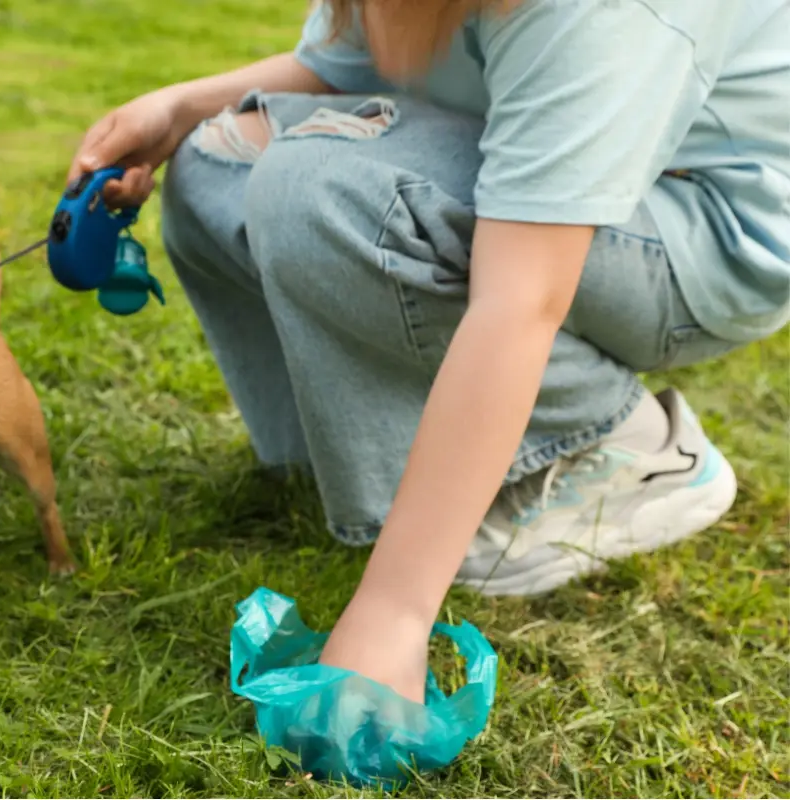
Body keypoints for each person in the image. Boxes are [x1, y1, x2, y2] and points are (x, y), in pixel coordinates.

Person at [67, 0, 790, 703]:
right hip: (542, 162)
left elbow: (520, 301)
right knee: (219, 155)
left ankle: (616, 442)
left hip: (701, 231)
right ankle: (376, 462)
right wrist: (179, 107)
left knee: (317, 188)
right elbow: (344, 68)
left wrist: (395, 612)